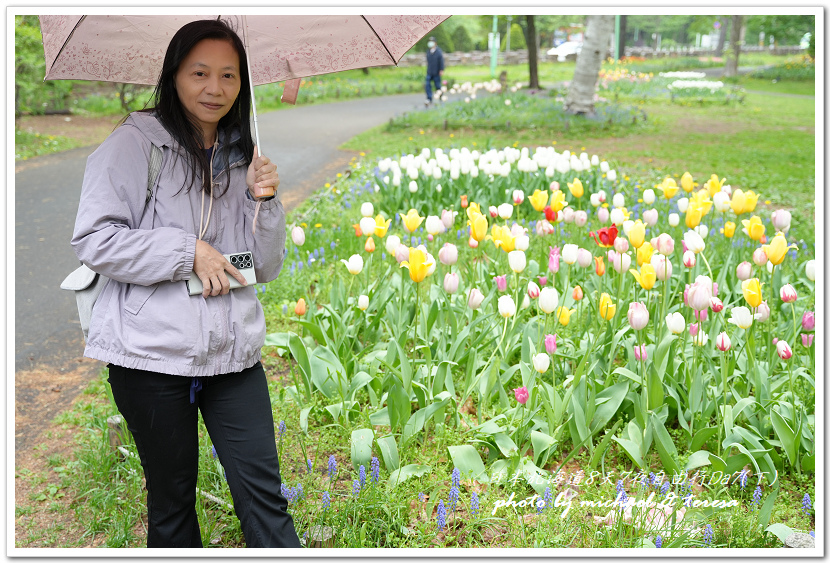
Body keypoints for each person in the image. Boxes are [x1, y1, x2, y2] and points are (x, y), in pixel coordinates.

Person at [71, 19, 300, 549]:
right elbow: (95, 240)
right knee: (172, 503)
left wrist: (264, 203)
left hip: (233, 357)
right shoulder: (135, 143)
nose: (215, 88)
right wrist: (186, 251)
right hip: (151, 357)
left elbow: (263, 267)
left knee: (265, 498)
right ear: (174, 74)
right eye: (200, 73)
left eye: (228, 75)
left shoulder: (243, 152)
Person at [425, 35, 444, 105]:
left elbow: (441, 61)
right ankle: (429, 98)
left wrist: (441, 69)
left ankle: (440, 97)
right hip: (430, 71)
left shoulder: (438, 52)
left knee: (437, 85)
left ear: (435, 43)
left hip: (436, 71)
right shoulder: (428, 51)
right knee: (427, 85)